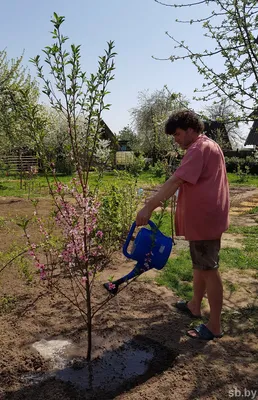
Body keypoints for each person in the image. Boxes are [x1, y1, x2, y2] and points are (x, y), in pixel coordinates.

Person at [135, 109, 229, 341]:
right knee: (200, 265)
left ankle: (215, 325)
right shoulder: (209, 145)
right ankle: (194, 305)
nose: (176, 140)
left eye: (177, 134)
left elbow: (176, 180)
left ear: (190, 129)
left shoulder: (198, 148)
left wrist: (149, 206)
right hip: (206, 218)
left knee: (209, 269)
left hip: (205, 219)